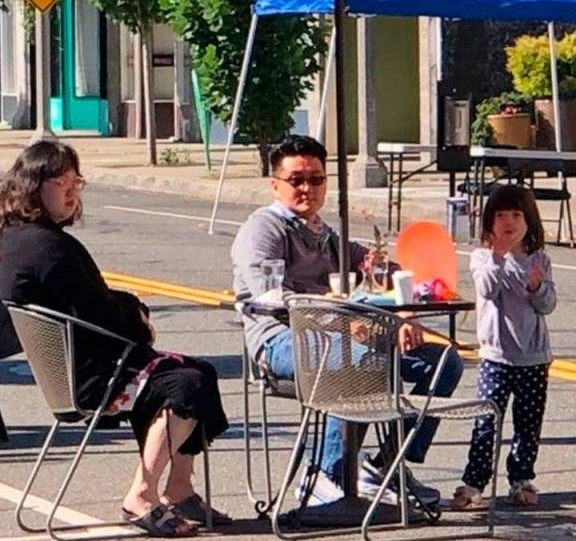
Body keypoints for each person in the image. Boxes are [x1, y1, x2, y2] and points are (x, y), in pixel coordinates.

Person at [0, 141, 230, 537]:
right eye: (61, 182)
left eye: (76, 182)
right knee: (187, 383)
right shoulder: (47, 248)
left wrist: (129, 308)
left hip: (77, 366)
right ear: (33, 186)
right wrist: (137, 320)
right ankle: (142, 494)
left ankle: (180, 488)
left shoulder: (21, 238)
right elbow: (95, 311)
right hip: (91, 375)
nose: (71, 191)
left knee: (196, 369)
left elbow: (89, 301)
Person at [231, 135, 463, 507]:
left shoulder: (324, 234)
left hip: (339, 338)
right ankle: (325, 473)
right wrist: (340, 317)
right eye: (297, 180)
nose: (308, 188)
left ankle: (385, 465)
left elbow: (379, 265)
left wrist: (399, 304)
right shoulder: (265, 229)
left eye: (317, 179)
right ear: (275, 184)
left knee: (443, 363)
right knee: (362, 357)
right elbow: (270, 297)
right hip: (279, 341)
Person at [451, 185, 555, 510]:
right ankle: (474, 482)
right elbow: (487, 289)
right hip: (496, 356)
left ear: (529, 221)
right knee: (486, 421)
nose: (508, 222)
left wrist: (537, 286)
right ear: (489, 223)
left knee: (528, 424)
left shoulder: (539, 259)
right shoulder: (482, 257)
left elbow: (548, 305)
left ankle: (521, 478)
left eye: (516, 214)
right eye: (500, 215)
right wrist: (498, 257)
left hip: (534, 357)